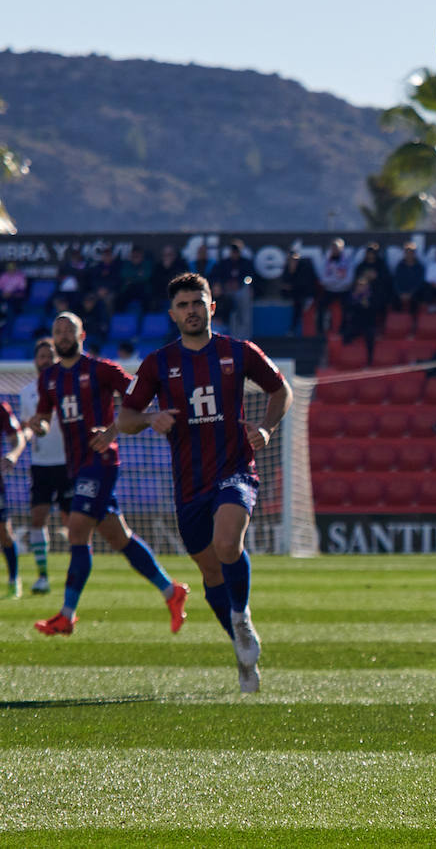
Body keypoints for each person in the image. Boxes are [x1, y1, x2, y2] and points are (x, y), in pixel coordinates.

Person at [103, 272, 293, 694]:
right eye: (183, 305)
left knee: (228, 545)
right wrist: (151, 417)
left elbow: (281, 391)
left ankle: (242, 619)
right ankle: (241, 650)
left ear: (211, 307)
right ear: (173, 314)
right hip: (189, 482)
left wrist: (266, 428)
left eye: (197, 302)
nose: (191, 310)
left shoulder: (238, 351)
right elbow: (127, 418)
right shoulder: (158, 363)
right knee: (210, 573)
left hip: (235, 470)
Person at [27, 312, 188, 638]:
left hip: (101, 462)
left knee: (76, 532)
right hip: (75, 466)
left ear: (81, 334)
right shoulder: (49, 378)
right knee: (119, 537)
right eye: (57, 331)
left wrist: (114, 429)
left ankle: (67, 615)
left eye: (68, 331)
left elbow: (139, 393)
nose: (62, 336)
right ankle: (172, 592)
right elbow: (44, 416)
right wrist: (39, 425)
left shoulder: (100, 369)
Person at [19, 337, 69, 594]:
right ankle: (43, 576)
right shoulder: (27, 393)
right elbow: (28, 426)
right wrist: (32, 429)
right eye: (41, 356)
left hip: (68, 462)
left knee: (73, 523)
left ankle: (76, 572)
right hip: (41, 465)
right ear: (35, 361)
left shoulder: (67, 386)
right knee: (37, 518)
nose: (45, 360)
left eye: (50, 356)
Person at [0, 399, 29, 597]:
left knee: (4, 533)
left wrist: (13, 454)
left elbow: (17, 437)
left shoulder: (1, 408)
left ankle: (14, 579)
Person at [317, 237, 355, 333]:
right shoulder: (326, 261)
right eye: (333, 247)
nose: (335, 250)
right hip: (329, 290)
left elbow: (349, 280)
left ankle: (344, 330)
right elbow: (322, 279)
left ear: (342, 248)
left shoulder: (348, 261)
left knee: (348, 308)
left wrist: (334, 281)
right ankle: (321, 331)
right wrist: (337, 280)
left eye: (337, 247)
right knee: (321, 307)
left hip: (344, 290)